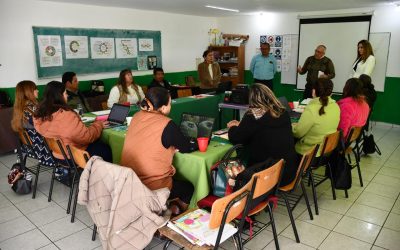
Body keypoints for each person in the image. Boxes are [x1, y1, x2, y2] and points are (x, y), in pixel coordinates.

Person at [120, 87, 193, 214]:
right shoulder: (167, 124)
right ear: (164, 108)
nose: (171, 106)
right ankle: (173, 216)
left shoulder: (136, 116)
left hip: (129, 182)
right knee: (188, 188)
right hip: (152, 186)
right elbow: (186, 147)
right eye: (170, 103)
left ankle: (166, 209)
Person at [227, 83, 298, 186]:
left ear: (251, 99)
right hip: (288, 172)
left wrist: (233, 127)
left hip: (267, 178)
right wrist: (242, 125)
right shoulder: (283, 112)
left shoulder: (252, 116)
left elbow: (236, 137)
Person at [33, 81, 112, 162]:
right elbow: (86, 137)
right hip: (73, 156)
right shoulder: (65, 116)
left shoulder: (40, 114)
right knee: (106, 149)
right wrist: (98, 125)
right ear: (59, 96)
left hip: (57, 154)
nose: (67, 96)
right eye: (65, 93)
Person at [292, 78, 340, 156]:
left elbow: (298, 133)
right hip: (327, 151)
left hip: (309, 153)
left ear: (314, 91)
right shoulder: (336, 106)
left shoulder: (311, 109)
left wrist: (292, 126)